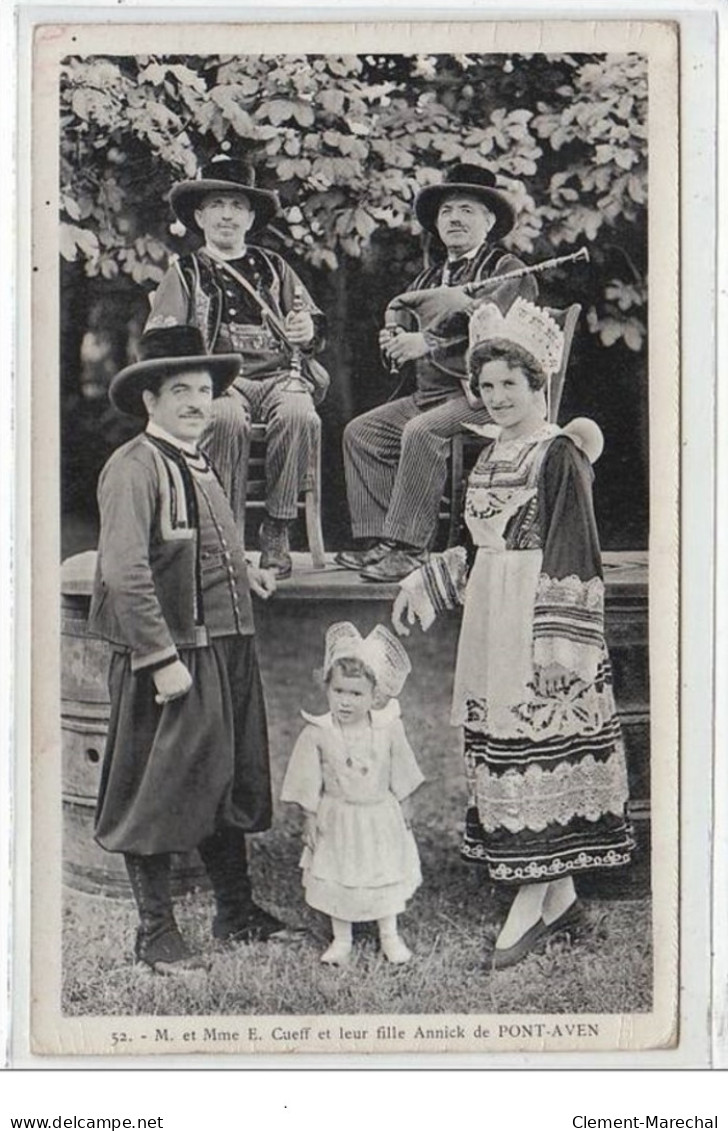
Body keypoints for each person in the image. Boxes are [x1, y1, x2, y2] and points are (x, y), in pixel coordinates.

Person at [392, 298, 634, 970]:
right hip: (492, 617)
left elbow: (573, 549)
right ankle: (562, 903)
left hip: (540, 621)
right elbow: (474, 545)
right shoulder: (489, 453)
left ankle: (532, 901)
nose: (497, 396)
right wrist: (425, 584)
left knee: (540, 743)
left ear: (539, 386)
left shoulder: (558, 456)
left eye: (511, 384)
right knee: (505, 745)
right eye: (488, 385)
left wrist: (561, 650)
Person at [88, 324, 298, 974]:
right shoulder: (134, 466)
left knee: (226, 775)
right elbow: (125, 570)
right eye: (179, 389)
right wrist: (161, 658)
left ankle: (236, 911)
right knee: (157, 786)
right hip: (173, 656)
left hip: (226, 646)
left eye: (203, 390)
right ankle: (156, 935)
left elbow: (204, 543)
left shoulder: (198, 460)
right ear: (149, 398)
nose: (194, 402)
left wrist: (246, 572)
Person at [337, 162, 538, 583]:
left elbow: (495, 335)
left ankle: (411, 549)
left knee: (422, 431)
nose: (455, 219)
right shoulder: (428, 277)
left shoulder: (507, 271)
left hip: (483, 400)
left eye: (467, 210)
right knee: (363, 432)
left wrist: (427, 343)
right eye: (447, 212)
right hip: (430, 395)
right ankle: (381, 540)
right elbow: (407, 334)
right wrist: (395, 342)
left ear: (488, 221)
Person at [145, 156, 328, 578]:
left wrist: (306, 328)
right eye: (217, 204)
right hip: (219, 382)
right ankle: (220, 534)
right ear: (199, 215)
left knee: (301, 412)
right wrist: (197, 372)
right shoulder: (185, 272)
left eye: (236, 206)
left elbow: (313, 322)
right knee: (223, 417)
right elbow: (160, 338)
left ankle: (277, 529)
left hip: (280, 377)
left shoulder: (274, 267)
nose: (227, 214)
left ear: (249, 218)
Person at [281, 623, 424, 965]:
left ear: (375, 695)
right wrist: (310, 816)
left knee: (382, 870)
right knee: (339, 873)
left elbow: (401, 766)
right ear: (327, 688)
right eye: (339, 691)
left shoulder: (387, 727)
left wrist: (405, 803)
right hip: (338, 815)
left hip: (378, 815)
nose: (345, 701)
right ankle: (341, 938)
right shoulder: (319, 733)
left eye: (356, 694)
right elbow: (307, 779)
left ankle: (389, 934)